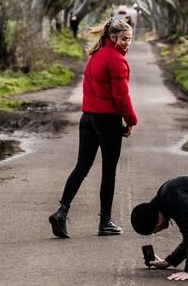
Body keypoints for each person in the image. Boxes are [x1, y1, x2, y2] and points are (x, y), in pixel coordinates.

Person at [49, 18, 137, 238]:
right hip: (107, 121)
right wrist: (131, 120)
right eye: (125, 39)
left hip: (87, 118)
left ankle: (62, 210)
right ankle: (105, 222)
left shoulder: (95, 56)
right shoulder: (117, 60)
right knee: (108, 171)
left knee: (82, 167)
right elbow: (121, 96)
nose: (128, 43)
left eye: (130, 39)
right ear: (113, 37)